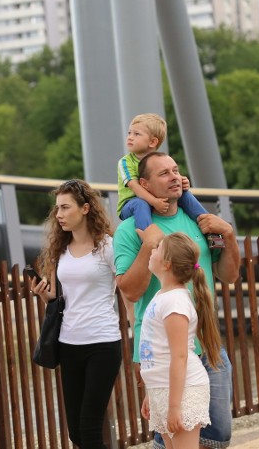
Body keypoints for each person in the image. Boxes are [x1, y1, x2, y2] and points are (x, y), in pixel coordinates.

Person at [114, 152, 240, 449]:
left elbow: (229, 275)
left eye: (175, 170)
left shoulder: (201, 222)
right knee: (170, 431)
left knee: (219, 433)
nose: (174, 177)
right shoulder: (128, 230)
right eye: (163, 173)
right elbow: (129, 292)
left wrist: (229, 236)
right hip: (161, 350)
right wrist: (148, 245)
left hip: (207, 345)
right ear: (143, 184)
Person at [30, 179, 123, 449]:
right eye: (57, 208)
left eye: (65, 207)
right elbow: (64, 299)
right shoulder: (61, 250)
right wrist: (47, 297)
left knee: (90, 428)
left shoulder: (107, 246)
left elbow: (126, 289)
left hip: (102, 343)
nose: (58, 214)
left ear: (85, 208)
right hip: (69, 343)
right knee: (77, 434)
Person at [140, 232, 223, 449]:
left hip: (183, 391)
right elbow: (159, 349)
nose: (152, 250)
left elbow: (179, 356)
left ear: (167, 264)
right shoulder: (162, 297)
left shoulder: (175, 302)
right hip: (164, 389)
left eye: (157, 248)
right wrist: (152, 392)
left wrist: (175, 407)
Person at [117, 113, 222, 248]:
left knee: (185, 195)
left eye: (137, 134)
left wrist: (183, 183)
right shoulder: (125, 162)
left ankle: (211, 231)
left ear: (152, 142)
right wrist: (154, 201)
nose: (130, 137)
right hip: (131, 202)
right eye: (129, 133)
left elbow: (172, 176)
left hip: (156, 197)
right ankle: (149, 241)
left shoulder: (160, 160)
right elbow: (135, 187)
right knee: (140, 204)